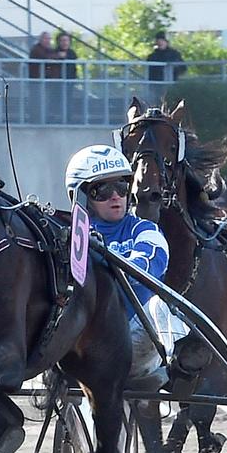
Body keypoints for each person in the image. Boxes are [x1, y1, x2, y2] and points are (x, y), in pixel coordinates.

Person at [65, 145, 183, 385]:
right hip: (85, 341)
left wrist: (102, 264)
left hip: (135, 340)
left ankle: (178, 368)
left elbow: (150, 264)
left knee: (161, 304)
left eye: (121, 186)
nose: (116, 196)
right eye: (102, 190)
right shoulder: (71, 236)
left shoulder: (145, 229)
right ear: (81, 196)